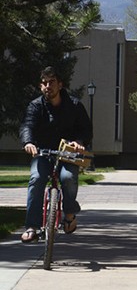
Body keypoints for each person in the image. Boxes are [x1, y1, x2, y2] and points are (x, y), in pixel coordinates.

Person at [19, 66, 93, 243]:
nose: (47, 86)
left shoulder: (74, 105)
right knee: (36, 178)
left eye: (51, 82)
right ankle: (32, 227)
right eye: (44, 83)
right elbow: (27, 125)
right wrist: (28, 142)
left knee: (67, 177)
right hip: (43, 152)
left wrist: (80, 142)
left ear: (60, 84)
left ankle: (69, 214)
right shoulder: (35, 106)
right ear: (40, 86)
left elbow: (86, 130)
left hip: (67, 153)